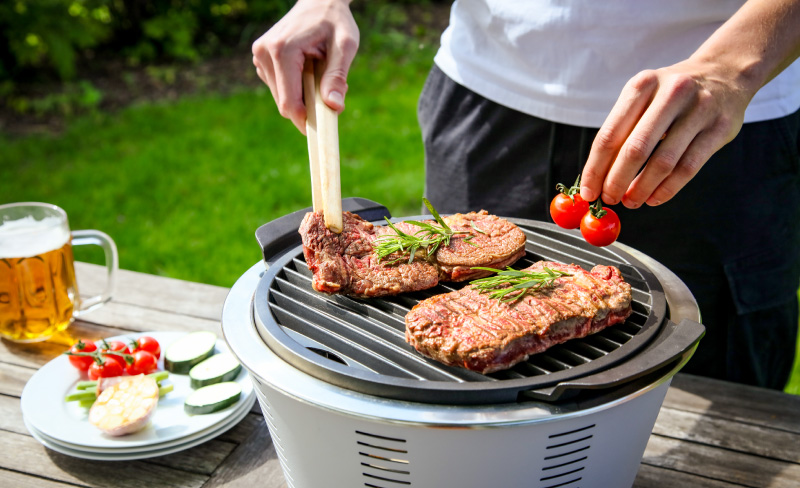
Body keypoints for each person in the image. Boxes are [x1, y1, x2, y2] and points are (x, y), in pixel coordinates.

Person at [251, 0, 800, 390]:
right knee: (445, 386)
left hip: (713, 122)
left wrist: (734, 64)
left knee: (723, 377)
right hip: (488, 98)